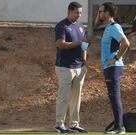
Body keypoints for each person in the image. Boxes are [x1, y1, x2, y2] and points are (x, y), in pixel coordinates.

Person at [94, 2, 130, 134]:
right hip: (109, 67)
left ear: (108, 13)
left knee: (115, 97)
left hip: (114, 67)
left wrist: (115, 58)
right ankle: (118, 126)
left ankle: (119, 127)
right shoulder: (108, 27)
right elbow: (95, 24)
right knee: (113, 97)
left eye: (101, 11)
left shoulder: (114, 27)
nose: (99, 14)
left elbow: (126, 43)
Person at [54, 1, 88, 134]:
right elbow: (60, 44)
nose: (79, 15)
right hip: (65, 67)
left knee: (76, 97)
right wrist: (77, 43)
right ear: (69, 11)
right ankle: (59, 125)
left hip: (80, 67)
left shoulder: (81, 26)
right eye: (76, 12)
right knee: (64, 96)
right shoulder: (61, 26)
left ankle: (74, 124)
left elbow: (84, 44)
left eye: (80, 12)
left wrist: (85, 60)